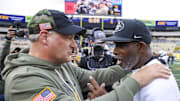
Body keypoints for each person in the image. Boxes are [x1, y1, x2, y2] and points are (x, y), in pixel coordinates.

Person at [1, 9, 170, 101]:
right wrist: (135, 81)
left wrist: (130, 63)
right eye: (68, 38)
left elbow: (98, 75)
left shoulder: (62, 66)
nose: (74, 45)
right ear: (45, 37)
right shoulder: (23, 81)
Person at [103, 19, 180, 101]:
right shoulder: (141, 70)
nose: (115, 51)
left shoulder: (159, 83)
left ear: (140, 47)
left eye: (121, 46)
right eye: (115, 45)